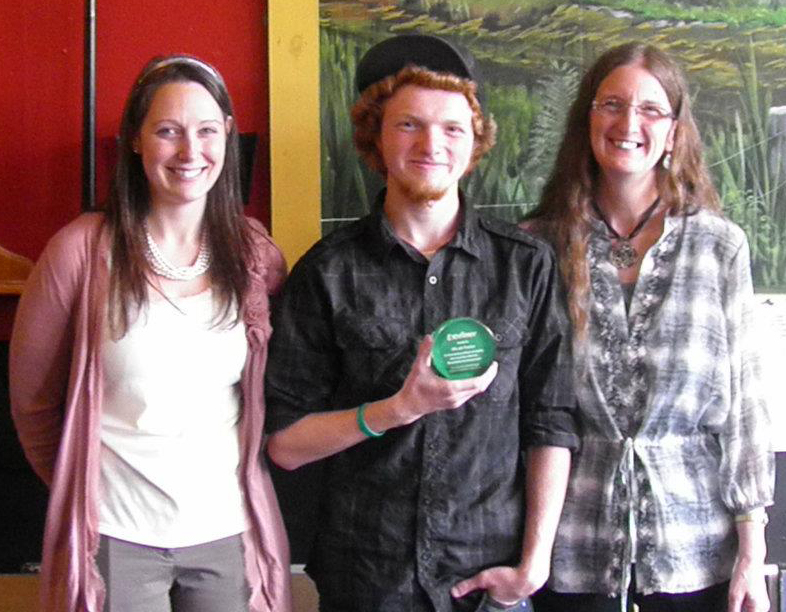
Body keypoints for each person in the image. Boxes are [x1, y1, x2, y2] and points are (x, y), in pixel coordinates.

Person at [264, 34, 579, 612]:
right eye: (409, 125)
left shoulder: (526, 267)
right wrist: (398, 409)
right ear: (376, 139)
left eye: (452, 128)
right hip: (367, 580)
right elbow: (285, 444)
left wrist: (533, 566)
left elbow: (551, 422)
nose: (431, 143)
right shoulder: (327, 271)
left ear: (474, 143)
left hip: (489, 583)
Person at [10, 55, 292, 612]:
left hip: (226, 528)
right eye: (168, 131)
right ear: (136, 141)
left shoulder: (255, 255)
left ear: (227, 137)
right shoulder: (80, 252)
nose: (191, 152)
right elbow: (32, 406)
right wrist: (80, 494)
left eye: (207, 131)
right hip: (116, 536)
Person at [523, 42, 775, 612]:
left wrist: (750, 557)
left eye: (651, 109)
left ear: (675, 129)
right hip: (568, 553)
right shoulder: (538, 248)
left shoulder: (719, 246)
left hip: (697, 552)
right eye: (611, 103)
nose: (628, 123)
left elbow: (744, 409)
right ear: (586, 117)